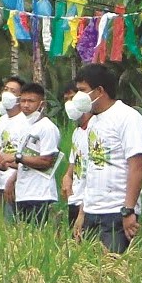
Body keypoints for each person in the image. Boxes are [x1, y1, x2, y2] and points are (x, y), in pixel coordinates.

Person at [72, 63, 142, 252]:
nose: (77, 97)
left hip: (116, 213)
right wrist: (82, 211)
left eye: (82, 90)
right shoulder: (93, 122)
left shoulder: (128, 118)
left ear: (99, 90)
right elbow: (90, 170)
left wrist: (128, 210)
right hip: (92, 211)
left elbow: (137, 166)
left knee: (113, 270)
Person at [2, 82, 61, 223]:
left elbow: (47, 161)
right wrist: (12, 175)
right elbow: (27, 161)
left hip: (40, 194)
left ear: (42, 104)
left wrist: (17, 157)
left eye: (31, 101)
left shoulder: (47, 128)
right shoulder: (26, 127)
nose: (26, 105)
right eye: (23, 101)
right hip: (24, 193)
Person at [0, 76, 29, 216]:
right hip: (1, 180)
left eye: (12, 91)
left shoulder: (25, 122)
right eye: (6, 89)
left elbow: (29, 157)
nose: (7, 93)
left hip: (17, 182)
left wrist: (14, 177)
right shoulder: (2, 120)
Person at [61, 82, 90, 230]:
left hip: (86, 203)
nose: (69, 103)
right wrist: (67, 176)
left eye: (72, 98)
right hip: (74, 198)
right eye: (66, 99)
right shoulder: (77, 133)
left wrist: (83, 212)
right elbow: (74, 161)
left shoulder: (94, 130)